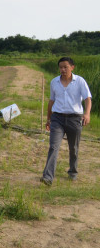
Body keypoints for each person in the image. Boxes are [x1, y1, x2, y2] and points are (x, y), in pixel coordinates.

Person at [41, 57, 92, 186]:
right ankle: (47, 177)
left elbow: (87, 98)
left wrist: (87, 113)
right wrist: (49, 118)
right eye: (60, 67)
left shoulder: (80, 81)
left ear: (72, 67)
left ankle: (73, 171)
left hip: (74, 118)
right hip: (57, 118)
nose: (63, 70)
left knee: (73, 148)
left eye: (65, 67)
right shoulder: (54, 82)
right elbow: (51, 101)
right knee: (53, 146)